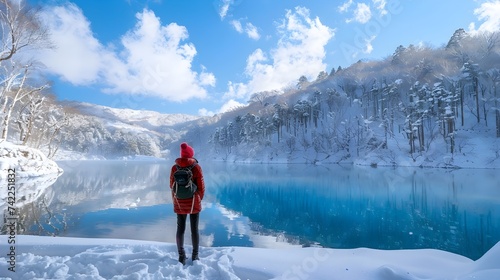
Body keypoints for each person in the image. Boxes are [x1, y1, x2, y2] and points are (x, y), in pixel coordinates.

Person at [170, 142, 205, 264]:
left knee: (180, 228)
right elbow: (201, 186)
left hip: (179, 202)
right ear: (191, 155)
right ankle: (195, 256)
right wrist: (198, 198)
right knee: (194, 229)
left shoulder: (175, 168)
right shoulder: (196, 167)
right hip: (194, 202)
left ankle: (181, 255)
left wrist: (178, 197)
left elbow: (171, 185)